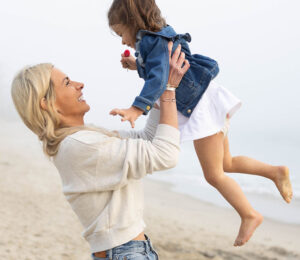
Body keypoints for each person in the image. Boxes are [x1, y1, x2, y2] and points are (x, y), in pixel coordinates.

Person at [107, 0, 293, 246]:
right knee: (226, 163)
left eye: (121, 33)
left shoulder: (152, 42)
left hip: (200, 109)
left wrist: (136, 108)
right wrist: (135, 65)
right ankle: (274, 171)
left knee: (214, 175)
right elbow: (157, 70)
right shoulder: (156, 40)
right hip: (208, 102)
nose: (122, 41)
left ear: (134, 21)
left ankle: (249, 214)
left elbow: (159, 78)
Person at [11, 42, 189, 259]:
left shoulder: (81, 141)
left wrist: (158, 81)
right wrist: (169, 90)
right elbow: (165, 155)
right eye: (67, 83)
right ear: (47, 104)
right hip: (125, 253)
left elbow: (148, 139)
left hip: (126, 251)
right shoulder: (81, 146)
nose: (80, 84)